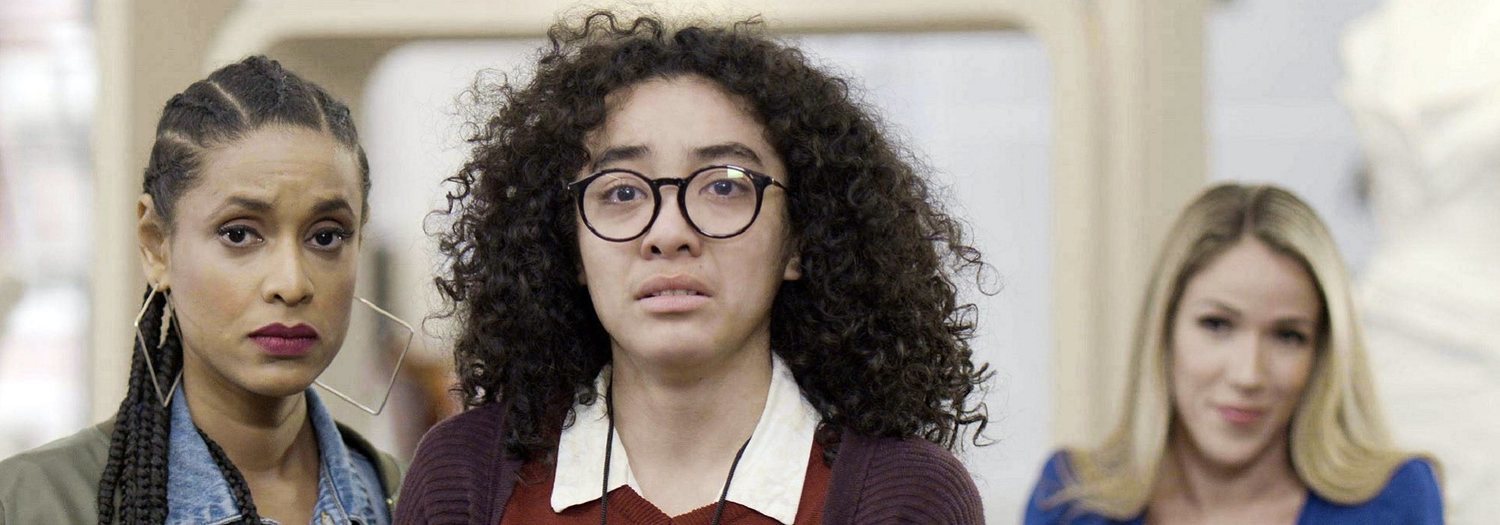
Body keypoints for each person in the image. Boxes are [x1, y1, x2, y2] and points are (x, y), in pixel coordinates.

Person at [396, 10, 990, 525]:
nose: (669, 234)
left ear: (799, 241)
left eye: (725, 186)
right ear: (570, 247)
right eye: (622, 192)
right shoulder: (465, 475)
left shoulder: (903, 496)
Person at [0, 56, 402, 524]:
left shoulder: (410, 498)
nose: (292, 284)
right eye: (239, 234)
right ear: (157, 245)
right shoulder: (32, 504)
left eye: (326, 236)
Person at [1023, 183, 1442, 524]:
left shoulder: (1393, 500)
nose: (1248, 375)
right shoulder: (1070, 500)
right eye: (1217, 325)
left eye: (1288, 336)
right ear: (1164, 329)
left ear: (1322, 353)